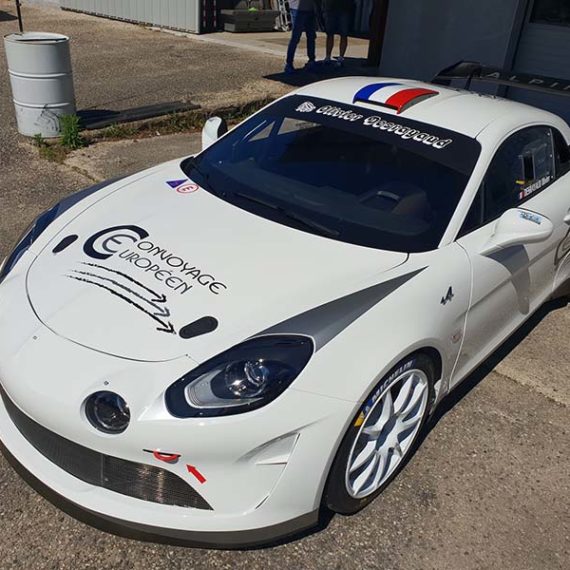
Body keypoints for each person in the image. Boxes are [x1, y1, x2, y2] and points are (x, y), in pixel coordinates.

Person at [285, 0, 317, 73]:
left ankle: (311, 60)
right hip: (297, 9)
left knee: (311, 36)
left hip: (310, 8)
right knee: (296, 37)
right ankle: (289, 63)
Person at [323, 0, 352, 65]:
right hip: (331, 8)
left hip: (344, 9)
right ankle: (328, 56)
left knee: (344, 34)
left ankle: (341, 57)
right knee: (330, 34)